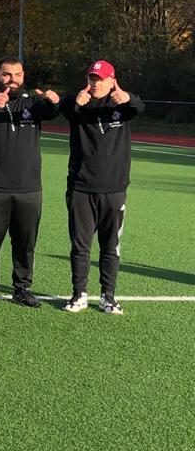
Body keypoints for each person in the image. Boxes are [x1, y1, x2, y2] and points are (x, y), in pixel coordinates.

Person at [0, 57, 60, 308]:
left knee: (25, 242)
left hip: (29, 188)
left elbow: (51, 111)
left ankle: (22, 288)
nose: (13, 79)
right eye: (7, 74)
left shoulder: (32, 102)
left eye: (18, 74)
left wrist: (54, 101)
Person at [60, 60, 144, 315]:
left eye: (101, 79)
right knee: (80, 246)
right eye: (92, 78)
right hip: (81, 188)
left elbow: (139, 106)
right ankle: (79, 294)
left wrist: (127, 97)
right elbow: (63, 106)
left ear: (111, 81)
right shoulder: (78, 104)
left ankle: (108, 296)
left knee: (110, 246)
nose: (95, 83)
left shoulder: (122, 106)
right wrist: (76, 101)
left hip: (114, 189)